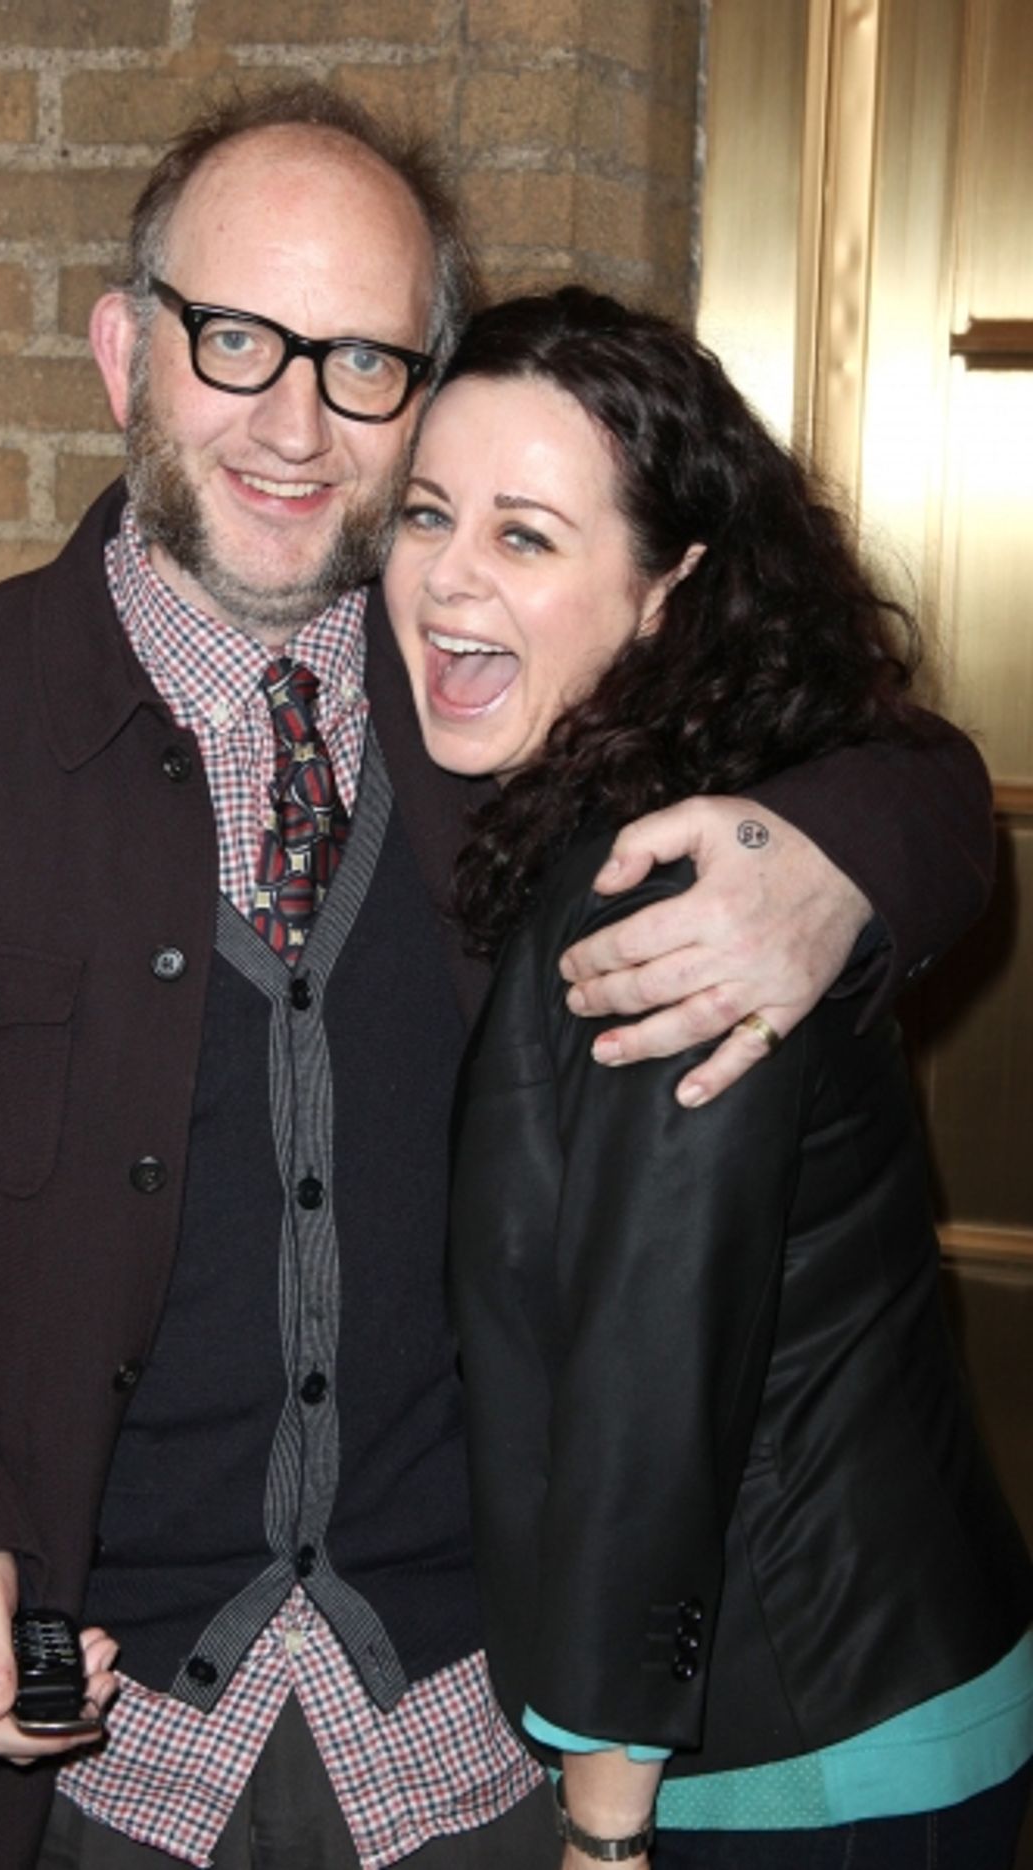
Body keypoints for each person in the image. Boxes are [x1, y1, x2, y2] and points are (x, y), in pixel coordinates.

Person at [0, 82, 998, 1870]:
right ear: (125, 353)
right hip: (101, 1768)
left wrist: (837, 862)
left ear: (422, 395)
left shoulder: (514, 701)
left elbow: (898, 758)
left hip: (482, 1756)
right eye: (237, 341)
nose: (299, 423)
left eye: (365, 362)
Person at [384, 285, 1033, 1870]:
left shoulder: (679, 887)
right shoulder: (655, 784)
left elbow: (647, 1382)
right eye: (427, 512)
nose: (450, 574)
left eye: (526, 535)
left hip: (799, 1740)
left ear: (669, 587)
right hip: (889, 1665)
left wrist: (606, 1822)